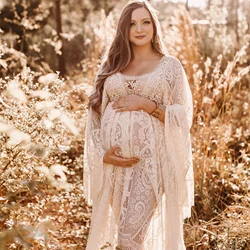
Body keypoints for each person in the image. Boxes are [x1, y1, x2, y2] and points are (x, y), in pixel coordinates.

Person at [83, 0, 194, 249]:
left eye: (145, 22)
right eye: (132, 23)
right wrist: (103, 155)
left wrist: (147, 105)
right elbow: (94, 116)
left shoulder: (170, 66)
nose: (139, 29)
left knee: (127, 237)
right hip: (115, 167)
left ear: (154, 26)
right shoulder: (111, 66)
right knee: (130, 237)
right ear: (124, 29)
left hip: (151, 163)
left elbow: (183, 116)